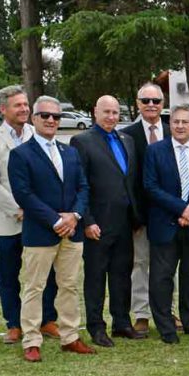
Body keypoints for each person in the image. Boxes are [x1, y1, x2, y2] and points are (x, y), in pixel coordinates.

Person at [7, 96, 94, 360]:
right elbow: (24, 194)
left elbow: (83, 187)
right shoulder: (21, 154)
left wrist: (75, 216)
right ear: (34, 118)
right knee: (34, 286)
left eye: (55, 116)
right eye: (44, 115)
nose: (50, 120)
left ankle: (70, 336)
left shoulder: (70, 151)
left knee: (68, 285)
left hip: (72, 231)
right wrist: (56, 220)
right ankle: (32, 340)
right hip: (41, 232)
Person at [0, 85, 58, 344]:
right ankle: (14, 324)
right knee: (8, 273)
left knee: (45, 272)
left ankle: (47, 320)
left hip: (40, 219)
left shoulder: (38, 136)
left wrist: (38, 210)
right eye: (18, 105)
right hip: (8, 221)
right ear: (3, 109)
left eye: (26, 104)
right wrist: (18, 210)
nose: (25, 109)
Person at [71, 95, 144, 346]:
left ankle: (121, 323)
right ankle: (96, 326)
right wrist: (87, 220)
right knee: (96, 276)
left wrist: (136, 217)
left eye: (115, 112)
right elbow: (79, 184)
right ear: (95, 112)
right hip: (97, 224)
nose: (112, 117)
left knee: (122, 274)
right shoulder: (82, 141)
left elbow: (130, 181)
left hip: (125, 222)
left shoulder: (127, 140)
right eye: (107, 112)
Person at [144, 103, 189, 343]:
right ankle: (166, 328)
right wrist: (181, 208)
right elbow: (151, 187)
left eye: (185, 122)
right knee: (162, 278)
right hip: (165, 224)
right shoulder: (155, 151)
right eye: (176, 122)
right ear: (170, 124)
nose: (180, 126)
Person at [122, 82, 170, 336]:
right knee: (140, 264)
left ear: (163, 103)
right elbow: (127, 178)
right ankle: (141, 313)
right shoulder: (126, 135)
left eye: (156, 101)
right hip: (140, 215)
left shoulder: (175, 131)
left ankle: (167, 309)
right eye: (146, 100)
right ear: (137, 103)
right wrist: (134, 215)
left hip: (168, 214)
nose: (151, 105)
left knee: (167, 265)